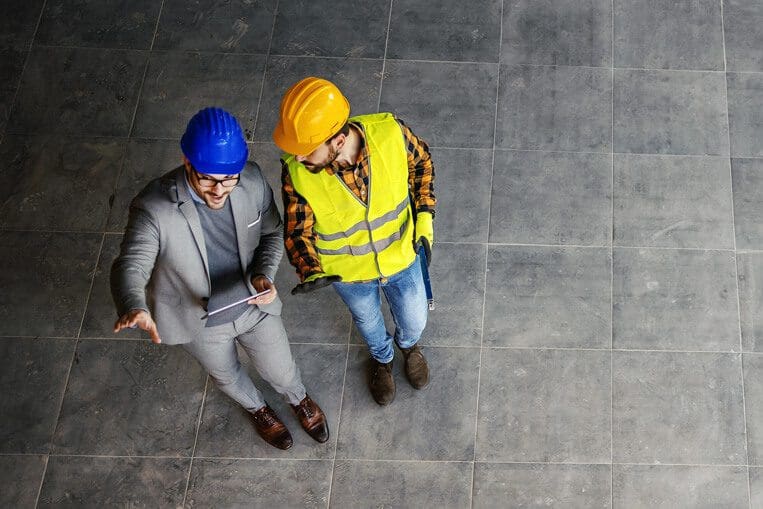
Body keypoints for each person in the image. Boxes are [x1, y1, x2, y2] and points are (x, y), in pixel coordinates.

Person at [110, 107, 328, 450]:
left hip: (252, 304)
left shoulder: (252, 181)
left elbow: (271, 234)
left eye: (229, 179)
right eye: (208, 178)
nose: (219, 190)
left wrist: (263, 276)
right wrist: (133, 305)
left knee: (282, 369)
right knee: (227, 376)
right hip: (197, 320)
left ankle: (297, 398)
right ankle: (258, 409)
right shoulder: (153, 207)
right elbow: (130, 265)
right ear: (187, 162)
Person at [273, 77, 436, 406]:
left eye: (306, 149)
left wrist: (424, 220)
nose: (299, 157)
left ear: (338, 138)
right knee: (368, 321)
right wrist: (311, 270)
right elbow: (297, 230)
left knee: (415, 317)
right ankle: (383, 357)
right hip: (347, 274)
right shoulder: (297, 172)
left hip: (402, 255)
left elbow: (422, 167)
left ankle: (409, 346)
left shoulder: (391, 134)